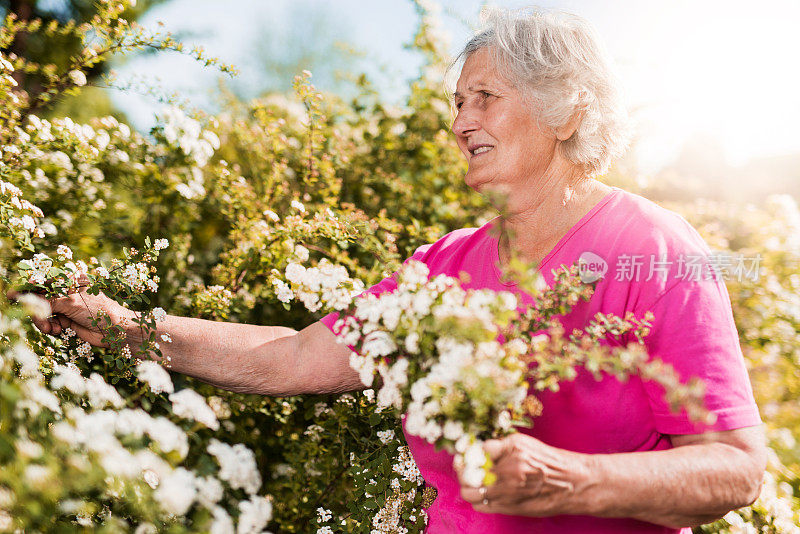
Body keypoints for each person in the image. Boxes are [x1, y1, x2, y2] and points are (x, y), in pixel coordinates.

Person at [33, 7, 765, 534]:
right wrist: (126, 326)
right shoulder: (445, 265)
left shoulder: (659, 250)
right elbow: (291, 357)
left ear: (567, 110)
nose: (459, 122)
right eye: (455, 103)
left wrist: (572, 479)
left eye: (485, 98)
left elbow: (732, 468)